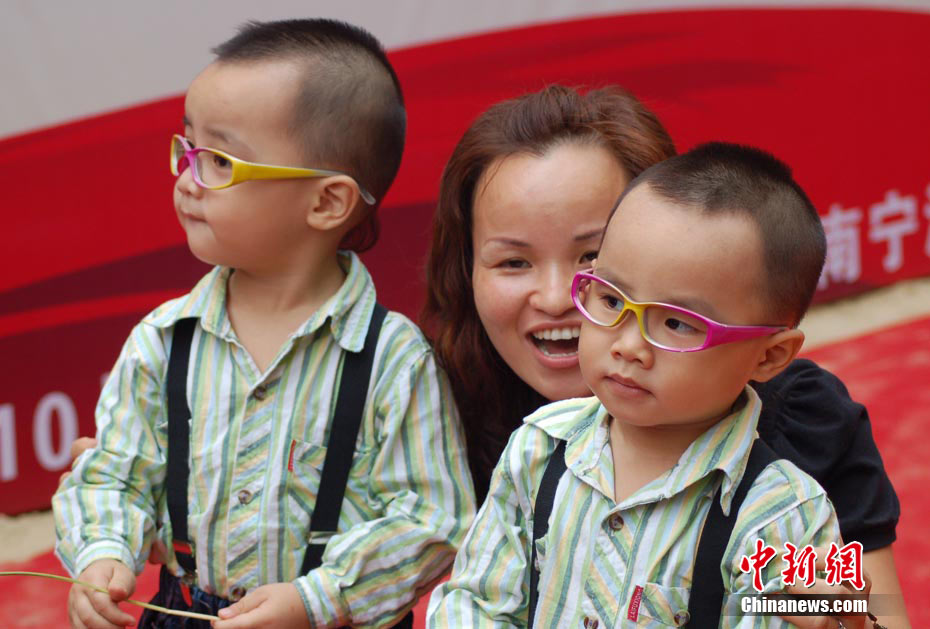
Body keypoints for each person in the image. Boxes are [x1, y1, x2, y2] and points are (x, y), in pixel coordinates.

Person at [421, 86, 906, 627]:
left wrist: (841, 616)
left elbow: (850, 612)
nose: (558, 299)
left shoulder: (781, 503)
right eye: (513, 261)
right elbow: (475, 602)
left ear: (770, 355)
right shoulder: (530, 444)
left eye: (677, 322)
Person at [53, 18, 474, 629]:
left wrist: (319, 598)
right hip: (186, 611)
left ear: (326, 201)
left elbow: (432, 520)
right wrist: (103, 553)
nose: (187, 180)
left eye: (218, 162)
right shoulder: (165, 341)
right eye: (186, 148)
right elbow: (113, 475)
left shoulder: (393, 360)